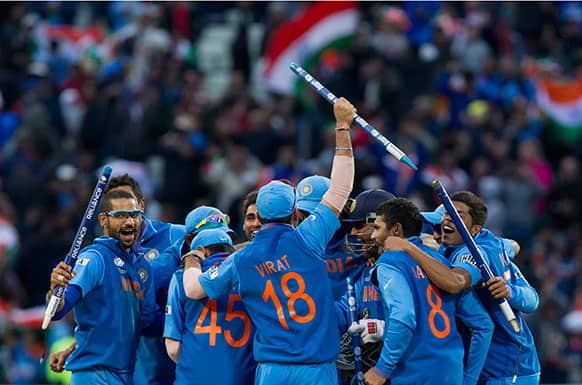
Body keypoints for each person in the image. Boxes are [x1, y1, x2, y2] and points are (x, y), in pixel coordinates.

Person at [182, 97, 357, 385]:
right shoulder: (309, 237)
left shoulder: (241, 258)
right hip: (316, 369)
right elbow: (341, 188)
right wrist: (341, 126)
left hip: (272, 370)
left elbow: (193, 289)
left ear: (258, 216)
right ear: (294, 213)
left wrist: (192, 258)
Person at [384, 191, 540, 384]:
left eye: (437, 227)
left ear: (474, 230)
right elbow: (512, 246)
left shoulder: (471, 253)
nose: (436, 232)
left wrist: (509, 291)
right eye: (435, 224)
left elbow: (455, 283)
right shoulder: (494, 244)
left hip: (504, 368)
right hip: (500, 364)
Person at [49, 173, 187, 385]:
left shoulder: (144, 263)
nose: (129, 221)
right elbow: (61, 306)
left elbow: (146, 321)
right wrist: (55, 293)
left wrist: (191, 325)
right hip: (100, 372)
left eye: (132, 214)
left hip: (134, 371)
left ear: (141, 207)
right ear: (104, 218)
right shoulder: (95, 258)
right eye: (121, 214)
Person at [366, 198, 493, 385]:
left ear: (396, 231)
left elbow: (403, 317)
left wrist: (382, 369)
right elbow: (483, 323)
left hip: (415, 373)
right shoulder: (442, 263)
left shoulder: (389, 262)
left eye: (377, 228)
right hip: (451, 372)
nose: (372, 237)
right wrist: (469, 380)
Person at [164, 228, 256, 385]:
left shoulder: (180, 278)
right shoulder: (251, 273)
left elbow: (173, 347)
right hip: (243, 377)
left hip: (192, 378)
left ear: (201, 250)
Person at [333, 188, 396, 384]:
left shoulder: (407, 265)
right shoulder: (368, 271)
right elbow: (344, 309)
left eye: (360, 225)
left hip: (403, 373)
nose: (353, 233)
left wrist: (383, 329)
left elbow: (420, 322)